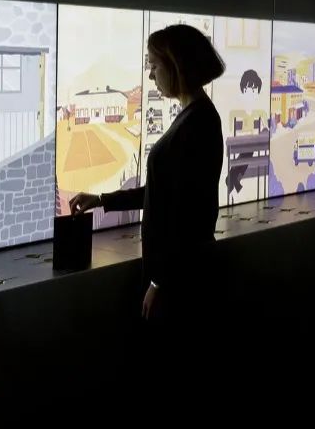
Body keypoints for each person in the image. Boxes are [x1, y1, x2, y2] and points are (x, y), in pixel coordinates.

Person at [69, 24, 225, 325]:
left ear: (176, 65)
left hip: (180, 283)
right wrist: (102, 200)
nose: (151, 75)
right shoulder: (195, 117)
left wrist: (160, 281)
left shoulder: (198, 123)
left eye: (154, 66)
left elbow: (189, 217)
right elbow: (162, 192)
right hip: (178, 277)